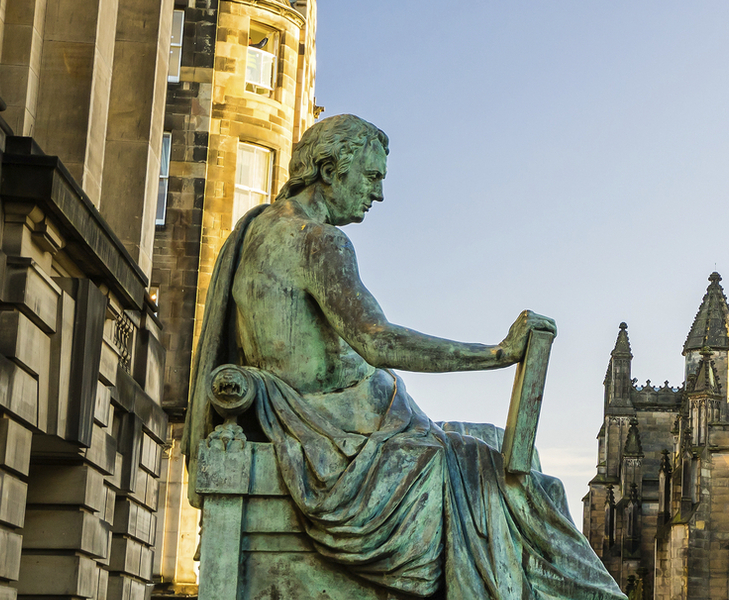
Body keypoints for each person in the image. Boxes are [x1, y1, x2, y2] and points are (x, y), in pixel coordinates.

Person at [183, 114, 624, 600]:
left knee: (505, 451)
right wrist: (499, 353)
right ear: (330, 171)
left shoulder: (257, 230)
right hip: (342, 437)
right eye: (371, 178)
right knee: (518, 481)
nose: (378, 194)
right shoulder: (319, 242)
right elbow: (378, 341)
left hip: (346, 424)